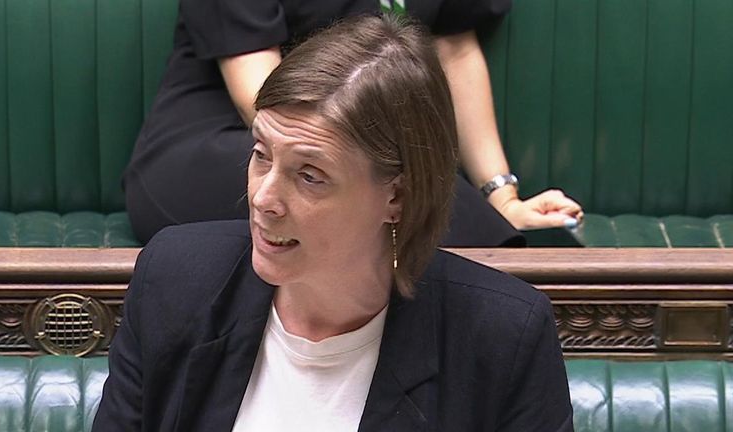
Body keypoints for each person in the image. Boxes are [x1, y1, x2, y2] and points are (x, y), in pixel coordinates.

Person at [94, 15, 573, 431]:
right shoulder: (174, 282)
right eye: (261, 154)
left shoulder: (502, 339)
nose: (263, 198)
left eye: (310, 176)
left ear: (397, 197)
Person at [122, 0, 583, 247]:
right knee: (403, 196)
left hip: (363, 156)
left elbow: (453, 50)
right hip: (234, 148)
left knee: (412, 197)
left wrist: (501, 197)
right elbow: (264, 101)